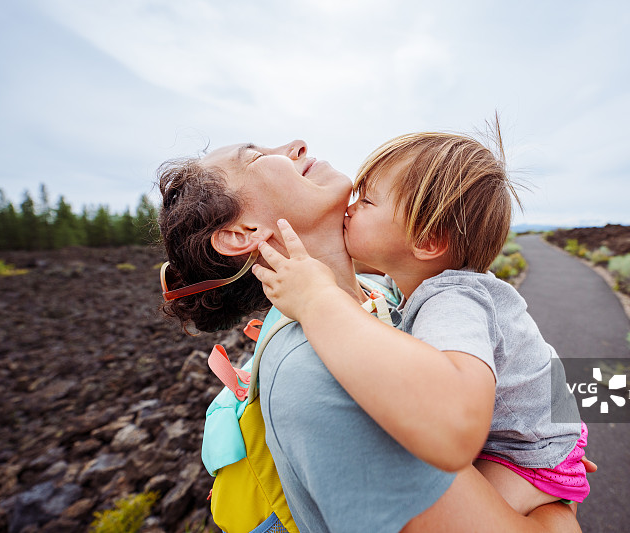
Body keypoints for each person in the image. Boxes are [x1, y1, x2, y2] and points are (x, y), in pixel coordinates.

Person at [157, 139, 587, 532]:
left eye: (370, 200)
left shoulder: (383, 292)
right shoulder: (313, 371)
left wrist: (540, 437)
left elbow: (518, 367)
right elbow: (455, 425)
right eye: (253, 156)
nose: (297, 144)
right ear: (241, 234)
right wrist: (555, 493)